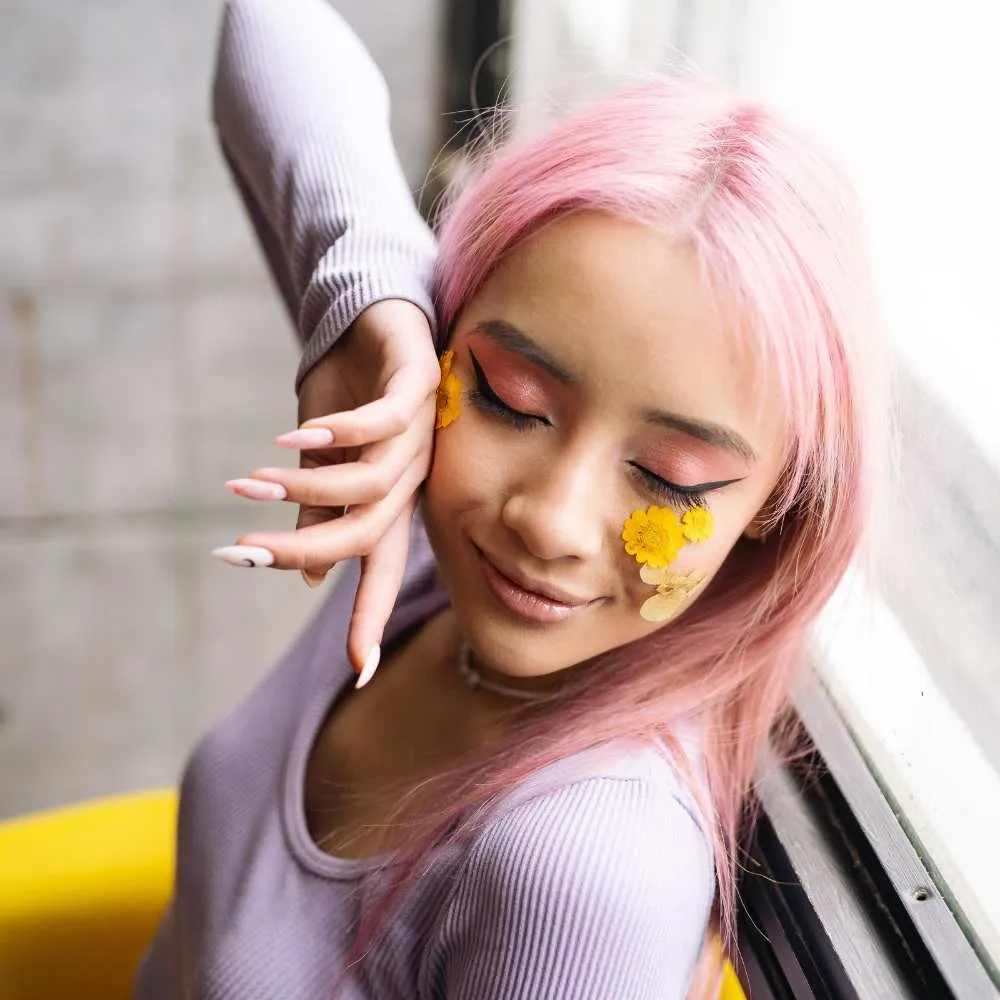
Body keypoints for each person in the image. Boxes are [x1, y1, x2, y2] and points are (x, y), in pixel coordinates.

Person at [136, 0, 885, 997]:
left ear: (774, 515)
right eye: (506, 397)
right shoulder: (419, 526)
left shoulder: (583, 868)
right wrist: (378, 305)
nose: (548, 518)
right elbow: (265, 30)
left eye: (671, 479)